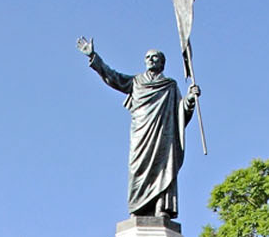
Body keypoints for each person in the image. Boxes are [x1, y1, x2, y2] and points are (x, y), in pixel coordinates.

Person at [78, 39, 200, 219]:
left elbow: (179, 112)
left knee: (163, 167)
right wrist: (94, 58)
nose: (151, 59)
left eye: (155, 57)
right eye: (148, 57)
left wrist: (190, 98)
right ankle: (138, 207)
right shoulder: (136, 82)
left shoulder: (170, 85)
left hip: (162, 133)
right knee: (137, 168)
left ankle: (161, 207)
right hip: (141, 132)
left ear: (162, 63)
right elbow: (113, 77)